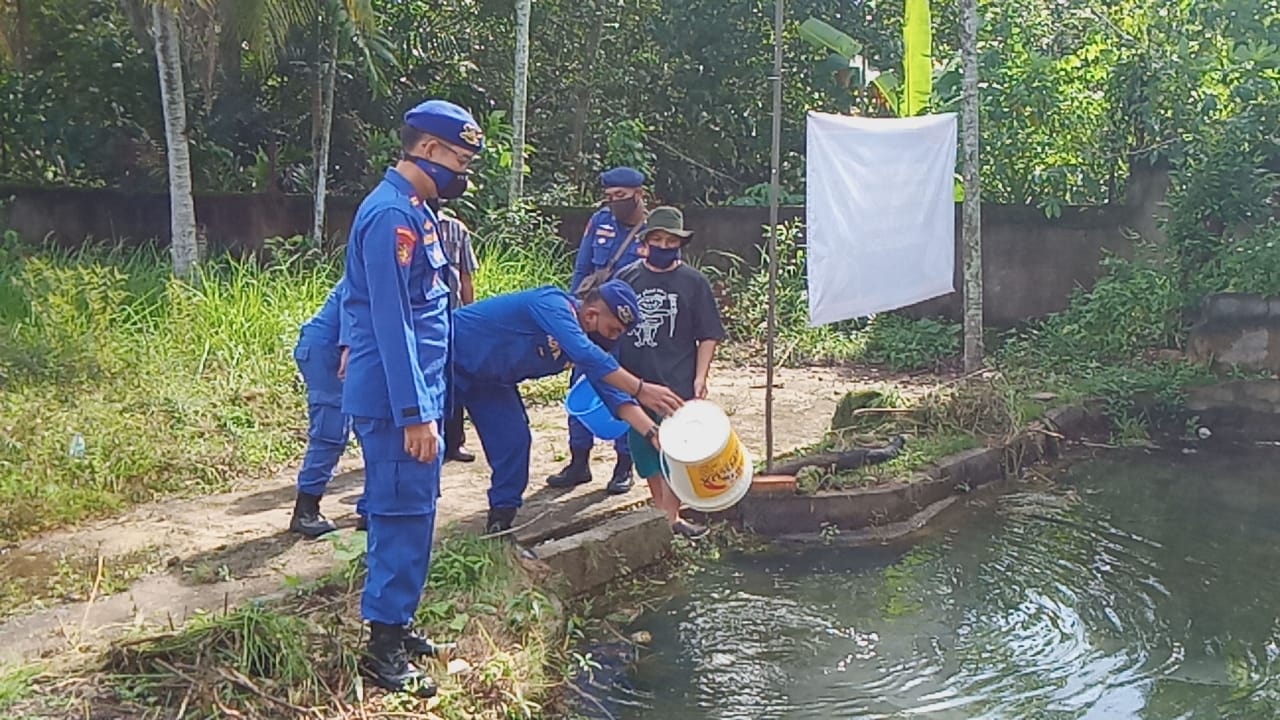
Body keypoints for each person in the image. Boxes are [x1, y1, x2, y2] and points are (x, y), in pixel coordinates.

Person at [340, 98, 483, 697]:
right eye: (460, 157)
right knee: (401, 515)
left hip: (417, 391)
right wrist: (416, 413)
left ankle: (395, 624)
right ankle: (383, 651)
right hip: (399, 403)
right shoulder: (390, 216)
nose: (465, 171)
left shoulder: (418, 213)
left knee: (412, 512)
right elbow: (393, 320)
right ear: (427, 150)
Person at [452, 280, 684, 546]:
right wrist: (641, 389)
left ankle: (499, 529)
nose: (613, 338)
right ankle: (405, 524)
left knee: (514, 442)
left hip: (490, 382)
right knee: (424, 446)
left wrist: (653, 434)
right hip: (446, 358)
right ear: (591, 315)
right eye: (612, 330)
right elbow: (586, 355)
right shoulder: (552, 304)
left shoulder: (590, 342)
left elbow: (612, 392)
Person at [615, 207, 725, 539]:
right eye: (657, 240)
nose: (664, 246)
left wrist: (700, 377)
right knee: (646, 450)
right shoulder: (627, 279)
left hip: (677, 380)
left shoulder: (694, 283)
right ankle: (664, 512)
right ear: (646, 242)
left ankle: (669, 516)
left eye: (670, 241)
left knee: (677, 452)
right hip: (636, 382)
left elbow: (708, 334)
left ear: (680, 244)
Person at [547, 167, 650, 494]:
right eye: (609, 197)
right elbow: (582, 267)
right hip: (591, 321)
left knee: (621, 388)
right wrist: (575, 316)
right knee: (581, 385)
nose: (614, 203)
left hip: (625, 327)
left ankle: (624, 463)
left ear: (639, 194)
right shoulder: (600, 222)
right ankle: (579, 462)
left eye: (621, 196)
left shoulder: (651, 231)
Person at [287, 279, 352, 538]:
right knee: (331, 431)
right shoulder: (372, 262)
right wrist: (348, 348)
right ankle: (306, 511)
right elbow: (353, 310)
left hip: (336, 347)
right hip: (327, 351)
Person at [438, 210, 479, 463]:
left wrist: (471, 315)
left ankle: (455, 442)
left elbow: (466, 276)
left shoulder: (456, 229)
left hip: (453, 315)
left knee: (455, 379)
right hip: (420, 321)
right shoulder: (407, 224)